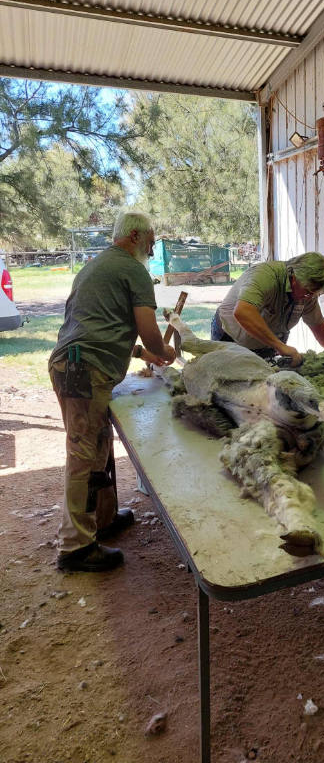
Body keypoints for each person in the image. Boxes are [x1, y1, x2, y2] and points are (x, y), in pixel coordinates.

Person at [49, 211, 176, 573]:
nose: (152, 248)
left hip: (77, 364)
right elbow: (148, 330)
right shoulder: (133, 270)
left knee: (99, 444)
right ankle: (75, 547)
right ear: (135, 236)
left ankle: (102, 520)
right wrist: (164, 351)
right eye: (151, 240)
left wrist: (142, 354)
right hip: (82, 370)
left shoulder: (98, 265)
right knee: (83, 453)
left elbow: (99, 326)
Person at [212, 252, 324, 367]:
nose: (309, 297)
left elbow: (317, 324)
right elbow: (243, 312)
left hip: (266, 345)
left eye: (314, 294)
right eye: (307, 292)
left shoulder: (308, 294)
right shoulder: (265, 276)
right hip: (230, 337)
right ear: (295, 278)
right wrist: (280, 346)